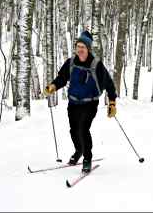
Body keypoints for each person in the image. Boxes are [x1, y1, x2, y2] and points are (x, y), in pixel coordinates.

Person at [44, 30, 117, 173]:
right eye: (78, 47)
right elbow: (62, 78)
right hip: (73, 103)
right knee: (73, 131)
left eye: (83, 47)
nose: (80, 50)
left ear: (88, 49)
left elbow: (109, 84)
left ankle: (87, 158)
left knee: (83, 129)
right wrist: (53, 86)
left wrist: (112, 102)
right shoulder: (70, 63)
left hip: (90, 103)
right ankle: (79, 151)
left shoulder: (96, 65)